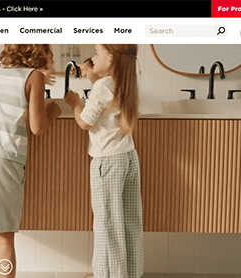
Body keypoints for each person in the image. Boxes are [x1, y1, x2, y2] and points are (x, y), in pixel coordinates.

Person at [0, 44, 62, 278]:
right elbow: (38, 127)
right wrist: (55, 110)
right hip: (4, 161)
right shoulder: (34, 77)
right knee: (3, 238)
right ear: (40, 51)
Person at [65, 44, 143, 278]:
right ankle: (129, 273)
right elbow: (104, 102)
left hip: (107, 162)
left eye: (98, 53)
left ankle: (108, 275)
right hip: (128, 157)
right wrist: (91, 76)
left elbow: (85, 122)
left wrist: (74, 104)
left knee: (107, 223)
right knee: (130, 221)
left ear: (111, 58)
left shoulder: (102, 86)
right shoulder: (124, 82)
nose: (94, 57)